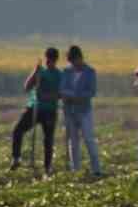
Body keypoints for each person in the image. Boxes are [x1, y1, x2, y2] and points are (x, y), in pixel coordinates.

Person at [11, 47, 62, 173]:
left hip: (49, 110)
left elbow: (61, 94)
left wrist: (47, 96)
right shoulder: (40, 72)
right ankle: (16, 158)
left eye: (51, 59)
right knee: (18, 130)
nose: (49, 62)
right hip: (34, 107)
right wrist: (35, 72)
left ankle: (47, 167)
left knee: (48, 139)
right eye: (47, 59)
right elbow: (27, 87)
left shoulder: (59, 75)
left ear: (55, 60)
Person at [60, 44, 101, 177]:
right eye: (71, 62)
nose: (74, 64)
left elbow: (91, 91)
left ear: (80, 58)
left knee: (89, 139)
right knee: (73, 141)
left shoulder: (90, 72)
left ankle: (96, 169)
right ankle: (75, 170)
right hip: (69, 111)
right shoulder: (66, 71)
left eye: (75, 61)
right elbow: (62, 89)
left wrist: (75, 96)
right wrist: (68, 95)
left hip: (84, 110)